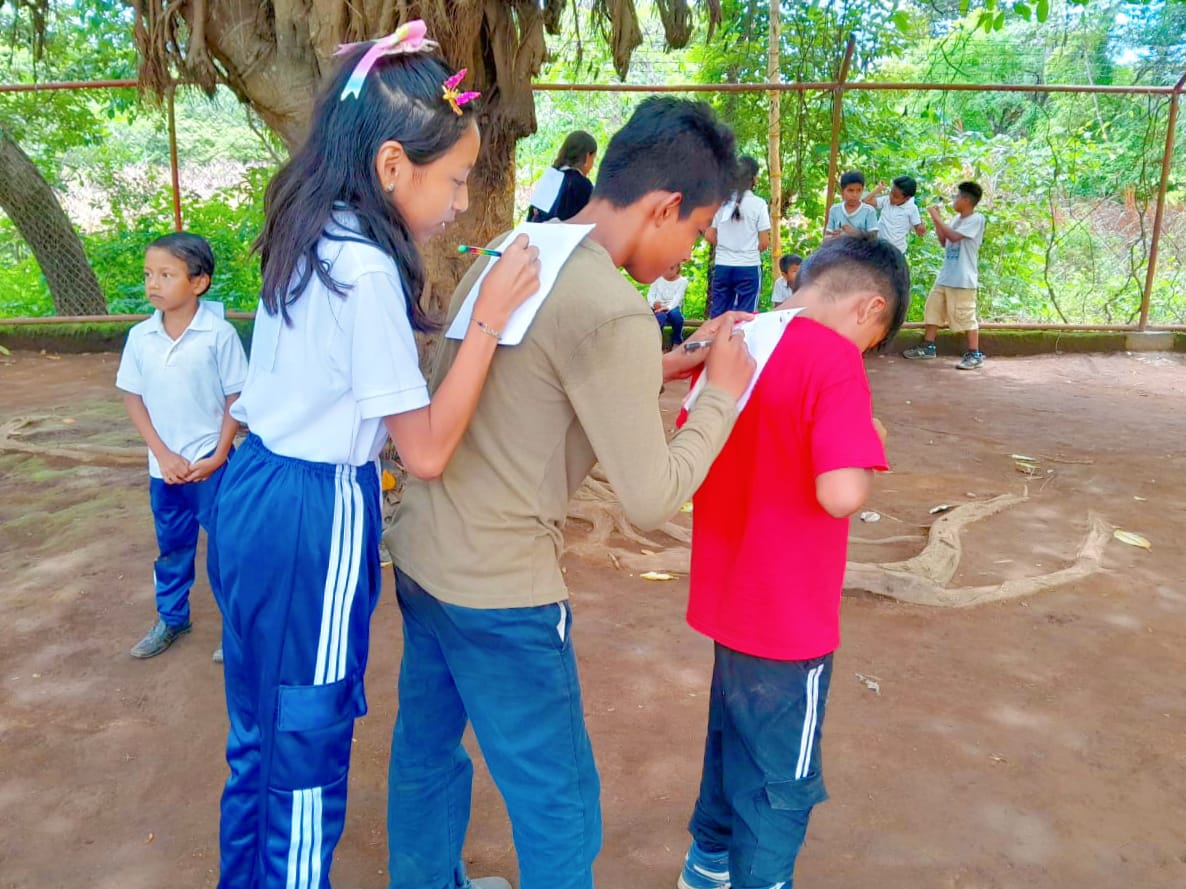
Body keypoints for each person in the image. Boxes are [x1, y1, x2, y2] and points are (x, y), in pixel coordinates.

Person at [385, 96, 757, 889]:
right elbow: (653, 496)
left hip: (424, 556)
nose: (693, 254)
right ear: (663, 207)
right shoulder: (614, 308)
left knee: (425, 752)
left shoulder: (517, 250)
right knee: (559, 799)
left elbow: (543, 377)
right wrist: (720, 392)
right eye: (694, 232)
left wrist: (674, 361)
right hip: (503, 591)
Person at [209, 22, 540, 889]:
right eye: (458, 179)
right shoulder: (364, 271)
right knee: (308, 743)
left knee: (263, 733)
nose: (464, 201)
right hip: (313, 513)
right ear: (393, 165)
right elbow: (424, 450)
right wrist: (492, 318)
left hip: (256, 492)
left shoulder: (305, 226)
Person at [675, 235, 909, 889]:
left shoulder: (740, 334)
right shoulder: (833, 358)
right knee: (782, 773)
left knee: (732, 735)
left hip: (729, 596)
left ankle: (706, 864)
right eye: (875, 338)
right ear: (868, 307)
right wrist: (868, 445)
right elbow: (841, 492)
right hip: (789, 615)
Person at [117, 232, 248, 661]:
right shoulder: (140, 338)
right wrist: (162, 453)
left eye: (166, 275)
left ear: (199, 282)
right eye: (148, 274)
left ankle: (236, 631)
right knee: (172, 548)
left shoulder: (219, 335)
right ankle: (172, 618)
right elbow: (133, 398)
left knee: (227, 550)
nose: (153, 284)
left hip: (213, 469)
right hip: (165, 472)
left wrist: (217, 455)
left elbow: (236, 399)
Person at [902, 180, 987, 370]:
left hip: (963, 279)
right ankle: (928, 346)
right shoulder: (956, 220)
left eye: (956, 197)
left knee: (965, 315)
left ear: (966, 200)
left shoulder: (976, 219)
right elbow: (944, 241)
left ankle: (974, 353)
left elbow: (955, 237)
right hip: (946, 276)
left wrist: (937, 218)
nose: (954, 200)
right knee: (932, 309)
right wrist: (936, 220)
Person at [706, 155, 771, 317]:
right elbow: (764, 242)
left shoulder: (721, 202)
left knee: (718, 314)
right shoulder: (759, 204)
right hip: (748, 267)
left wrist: (725, 246)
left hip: (722, 265)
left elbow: (709, 234)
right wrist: (746, 249)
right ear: (754, 179)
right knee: (745, 317)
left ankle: (713, 342)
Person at [526, 130, 597, 222]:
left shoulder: (550, 177)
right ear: (587, 157)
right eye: (593, 158)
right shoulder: (582, 184)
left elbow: (532, 216)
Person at [863, 174, 926, 255]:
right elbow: (865, 201)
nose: (891, 197)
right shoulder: (886, 200)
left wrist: (921, 228)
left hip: (896, 251)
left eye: (895, 196)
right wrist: (877, 190)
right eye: (891, 193)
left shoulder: (912, 209)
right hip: (879, 245)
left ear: (907, 198)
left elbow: (919, 232)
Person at [824, 170, 878, 240]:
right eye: (850, 190)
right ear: (842, 191)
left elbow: (874, 238)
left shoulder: (869, 211)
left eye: (859, 190)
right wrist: (834, 237)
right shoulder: (835, 210)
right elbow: (826, 237)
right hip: (839, 249)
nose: (855, 195)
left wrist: (855, 233)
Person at [650, 261, 689, 346]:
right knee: (660, 318)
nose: (667, 271)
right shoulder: (657, 278)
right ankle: (657, 344)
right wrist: (653, 304)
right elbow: (651, 294)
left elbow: (678, 298)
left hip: (672, 307)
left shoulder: (683, 281)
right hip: (658, 307)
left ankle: (677, 341)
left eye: (671, 268)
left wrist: (668, 307)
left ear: (678, 267)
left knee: (677, 317)